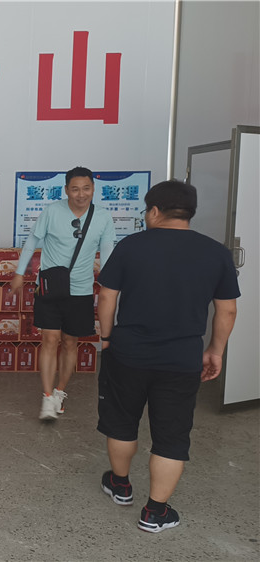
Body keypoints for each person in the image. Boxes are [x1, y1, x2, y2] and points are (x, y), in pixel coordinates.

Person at [96, 180, 238, 533]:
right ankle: (155, 512)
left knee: (122, 421)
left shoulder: (131, 246)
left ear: (155, 211)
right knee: (172, 435)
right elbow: (227, 310)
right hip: (182, 358)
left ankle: (121, 485)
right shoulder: (216, 253)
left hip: (128, 352)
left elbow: (107, 297)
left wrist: (107, 338)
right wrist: (215, 351)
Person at [10, 166, 116, 420]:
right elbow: (32, 241)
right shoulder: (52, 211)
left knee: (70, 342)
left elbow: (107, 252)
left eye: (86, 188)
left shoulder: (102, 217)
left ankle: (59, 392)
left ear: (93, 189)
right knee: (50, 339)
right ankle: (47, 397)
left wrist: (109, 282)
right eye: (75, 189)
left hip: (81, 290)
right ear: (66, 190)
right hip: (50, 287)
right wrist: (19, 273)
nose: (81, 194)